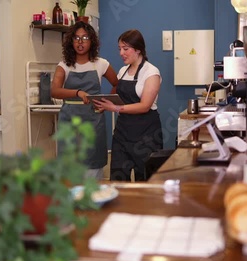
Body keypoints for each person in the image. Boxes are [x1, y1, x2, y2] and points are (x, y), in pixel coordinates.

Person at [51, 21, 118, 180]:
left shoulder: (101, 64)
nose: (80, 42)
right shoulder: (65, 66)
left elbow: (117, 84)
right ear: (71, 41)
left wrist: (106, 104)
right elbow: (54, 90)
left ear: (92, 41)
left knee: (92, 165)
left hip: (94, 121)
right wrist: (77, 92)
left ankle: (92, 201)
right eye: (76, 38)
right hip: (69, 122)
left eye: (85, 37)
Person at [93, 29, 163, 182]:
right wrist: (105, 104)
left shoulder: (151, 72)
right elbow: (116, 96)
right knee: (118, 178)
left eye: (125, 49)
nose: (121, 53)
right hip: (122, 133)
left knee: (144, 179)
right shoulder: (122, 71)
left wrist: (116, 108)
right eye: (119, 49)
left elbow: (145, 105)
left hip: (146, 134)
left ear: (138, 49)